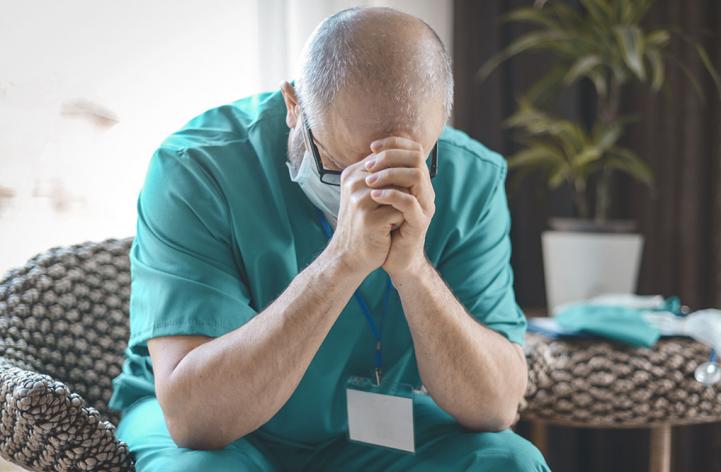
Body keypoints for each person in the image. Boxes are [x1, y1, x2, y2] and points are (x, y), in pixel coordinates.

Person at [107, 6, 550, 471]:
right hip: (221, 434)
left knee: (507, 461)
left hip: (367, 432)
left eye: (402, 168)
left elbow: (496, 405)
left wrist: (414, 270)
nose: (372, 194)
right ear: (293, 104)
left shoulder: (470, 177)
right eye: (341, 168)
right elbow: (194, 418)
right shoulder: (196, 168)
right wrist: (341, 260)